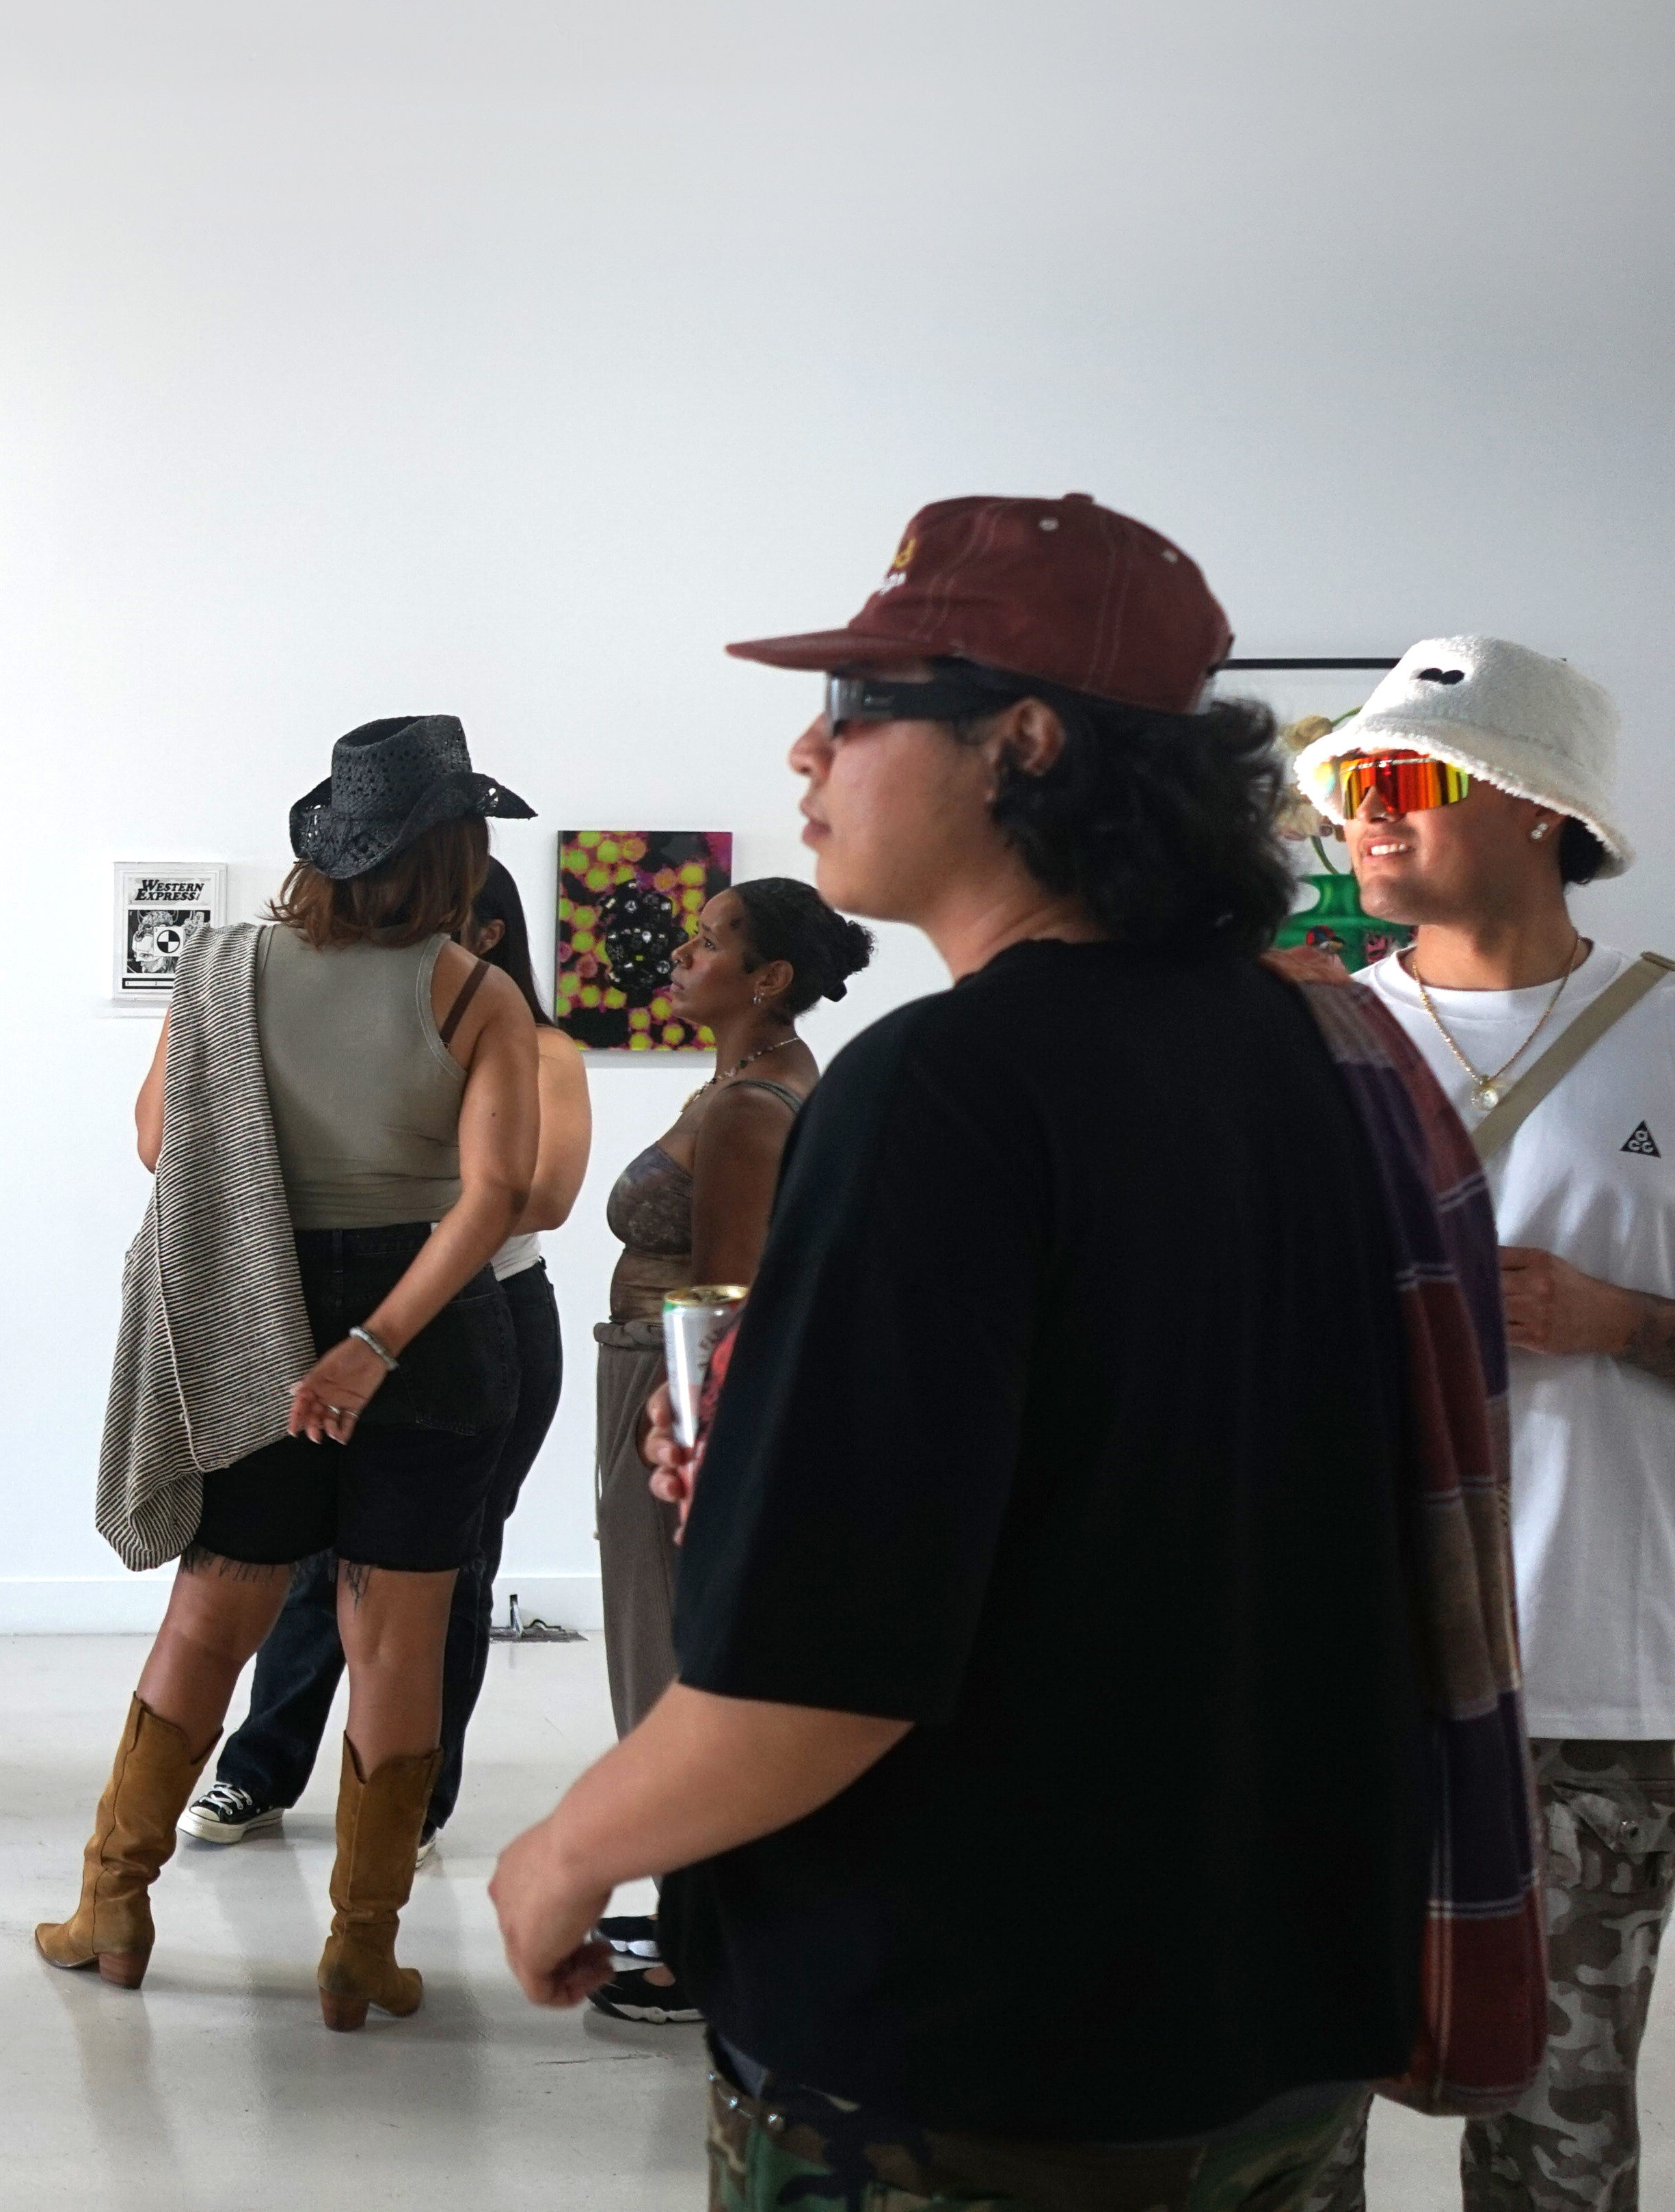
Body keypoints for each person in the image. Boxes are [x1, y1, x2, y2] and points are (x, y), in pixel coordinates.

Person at [489, 498, 1440, 2207]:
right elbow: (1143, 1485)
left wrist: (564, 1855)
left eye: (860, 704)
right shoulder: (1310, 1046)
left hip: (978, 2050)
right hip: (1267, 2015)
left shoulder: (942, 1085)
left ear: (1022, 740)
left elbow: (827, 1676)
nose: (808, 745)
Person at [53, 712, 543, 2028]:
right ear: (453, 857)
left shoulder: (221, 970)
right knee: (400, 1640)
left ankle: (114, 1903)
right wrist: (378, 1343)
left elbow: (163, 1146)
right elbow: (496, 1198)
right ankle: (360, 1950)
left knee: (214, 1615)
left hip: (251, 1319)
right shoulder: (478, 994)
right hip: (434, 1333)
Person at [1304, 637, 1661, 2211]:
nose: (1366, 819)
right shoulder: (1307, 1046)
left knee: (1559, 2125)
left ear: (1533, 805)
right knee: (1288, 2106)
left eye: (1406, 779)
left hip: (1590, 1669)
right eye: (1350, 791)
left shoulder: (1665, 1034)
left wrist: (1625, 1321)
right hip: (1334, 1666)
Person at [176, 857, 588, 1856]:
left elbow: (535, 1199)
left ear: (489, 934)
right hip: (348, 1302)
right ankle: (259, 1774)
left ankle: (412, 1810)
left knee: (449, 1572)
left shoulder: (534, 1040)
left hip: (485, 1305)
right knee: (310, 1568)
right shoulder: (315, 998)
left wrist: (389, 1180)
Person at [572, 872, 867, 2025]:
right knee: (671, 1647)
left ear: (768, 979)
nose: (684, 959)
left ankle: (706, 1938)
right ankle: (697, 1901)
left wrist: (696, 1456)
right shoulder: (749, 1081)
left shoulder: (750, 1108)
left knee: (673, 1653)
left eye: (708, 944)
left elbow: (724, 1303)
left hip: (671, 1391)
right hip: (653, 1376)